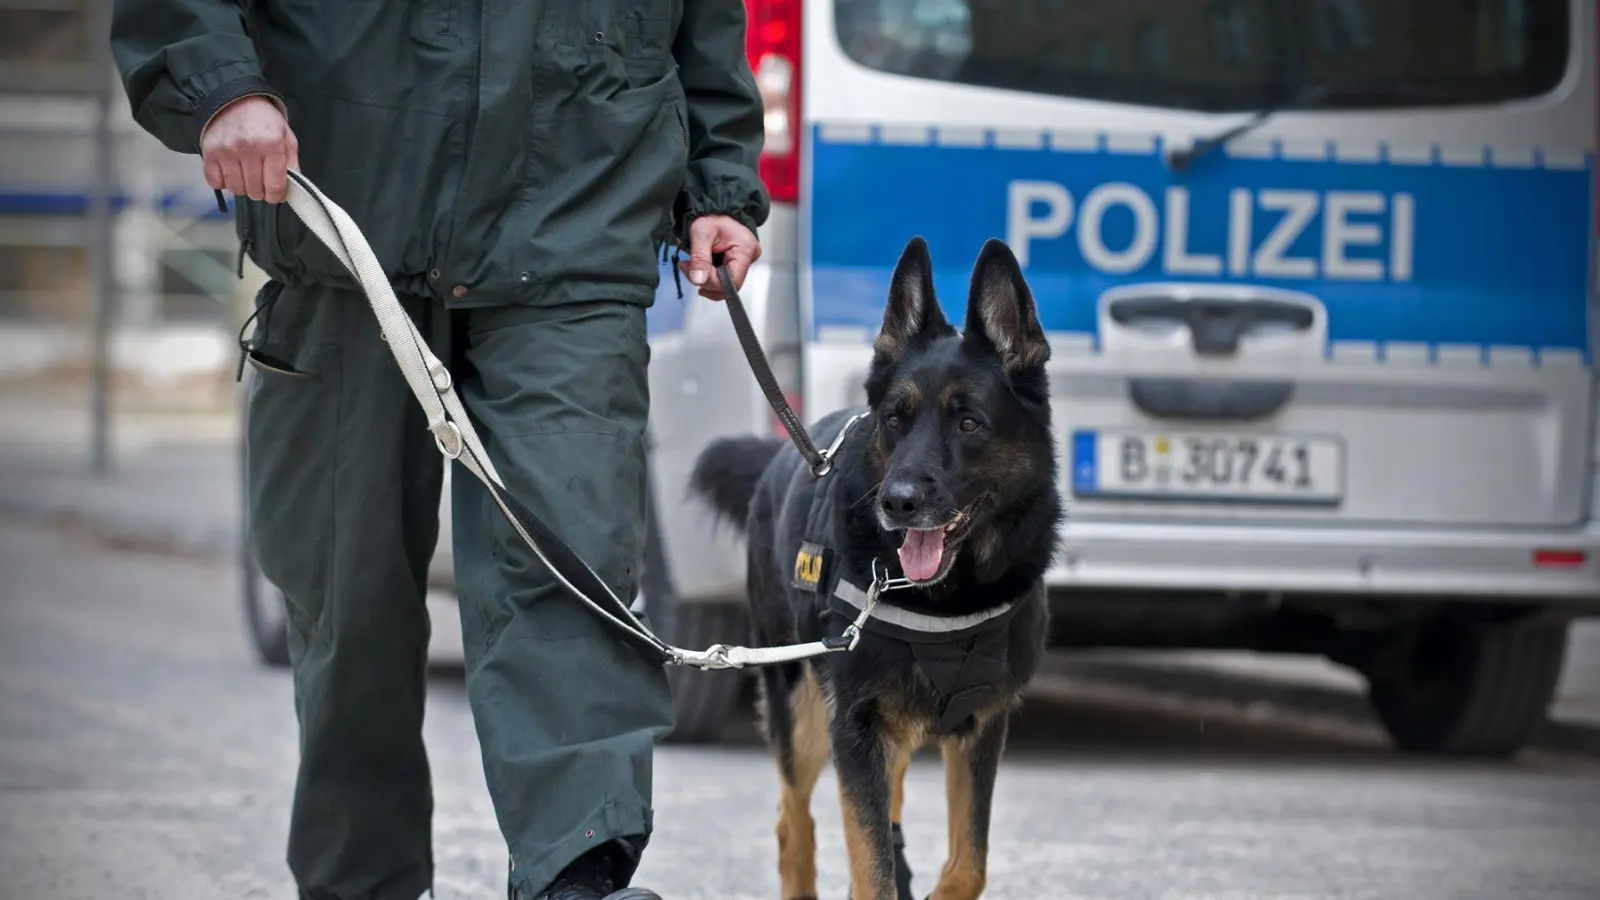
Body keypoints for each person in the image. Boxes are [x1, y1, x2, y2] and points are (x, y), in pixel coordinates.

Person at [109, 3, 768, 898]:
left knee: (571, 569)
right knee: (352, 599)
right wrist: (219, 87)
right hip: (343, 230)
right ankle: (361, 881)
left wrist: (718, 184)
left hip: (572, 230)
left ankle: (576, 877)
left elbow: (708, 21)